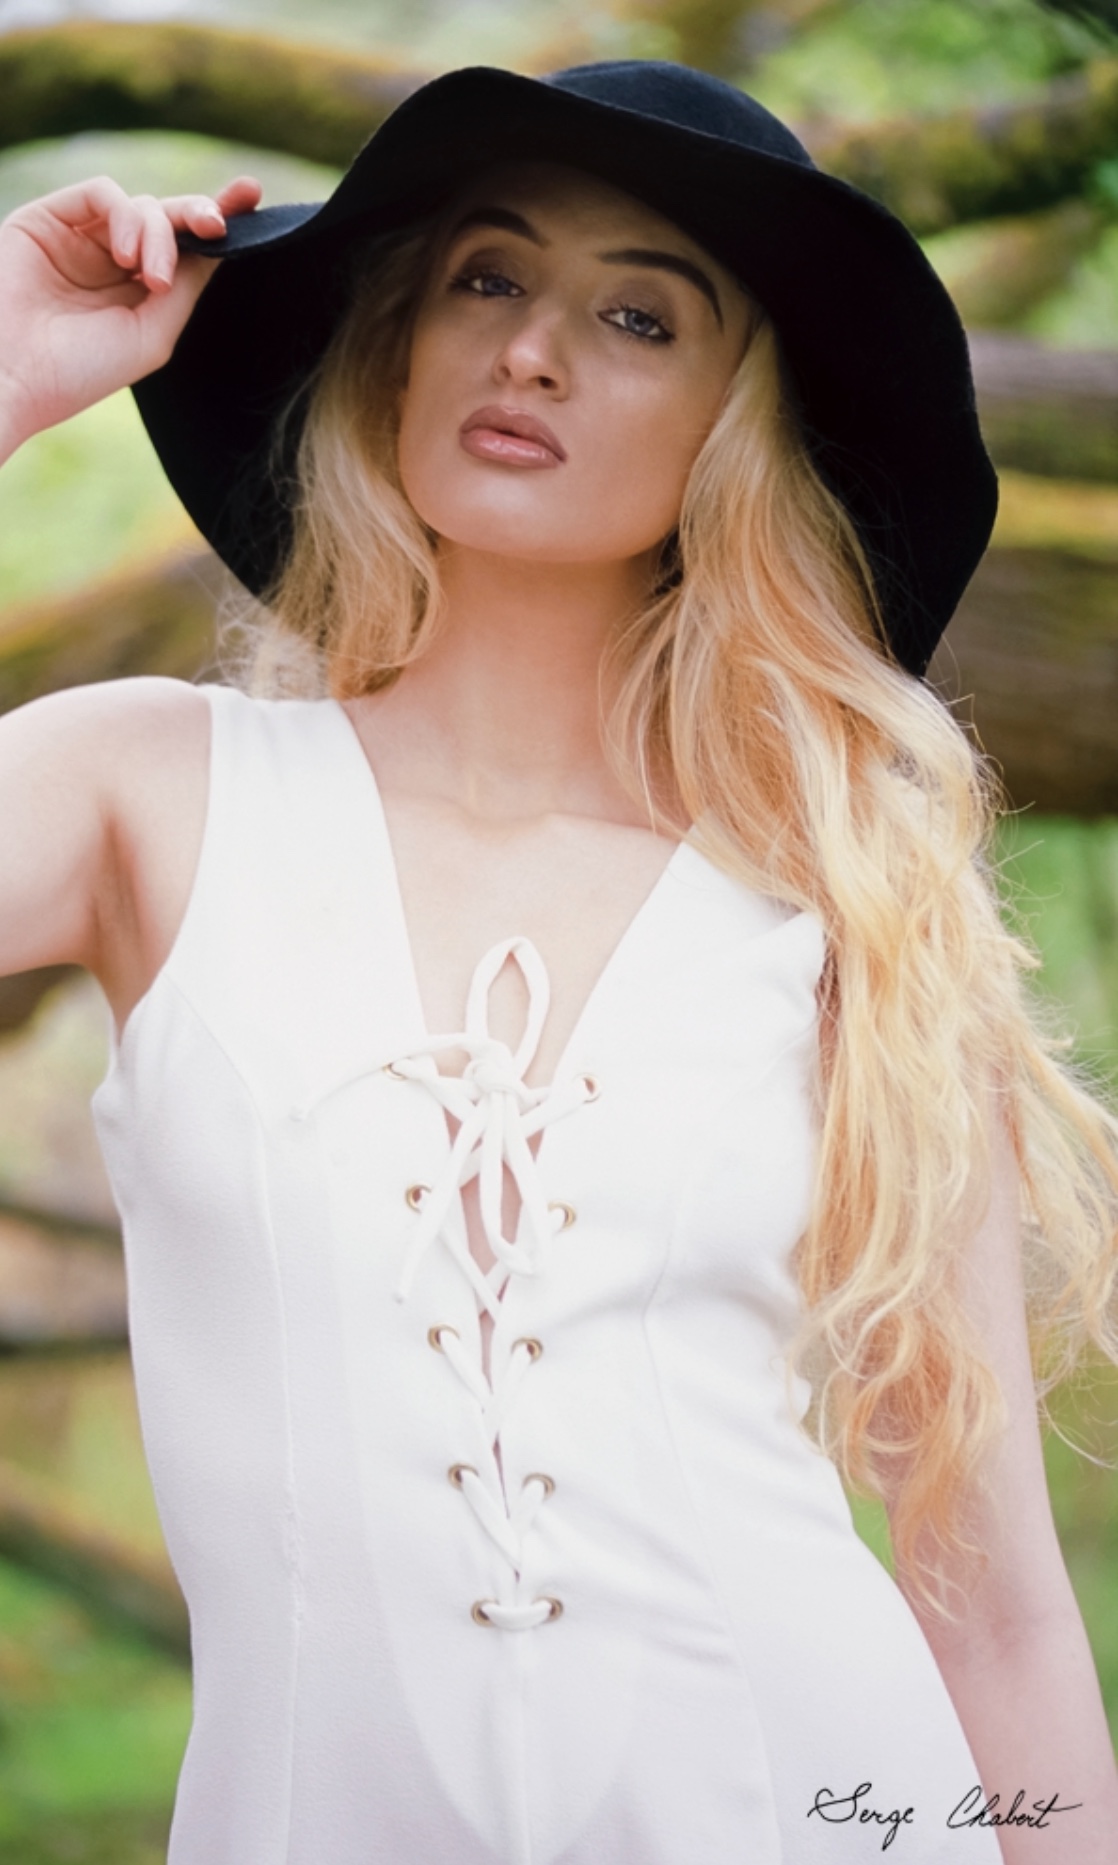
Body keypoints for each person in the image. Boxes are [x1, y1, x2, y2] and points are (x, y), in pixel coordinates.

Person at [0, 57, 1115, 1865]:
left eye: (637, 317)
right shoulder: (144, 790)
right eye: (487, 278)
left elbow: (987, 1604)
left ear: (733, 427)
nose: (529, 351)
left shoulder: (849, 910)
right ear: (396, 341)